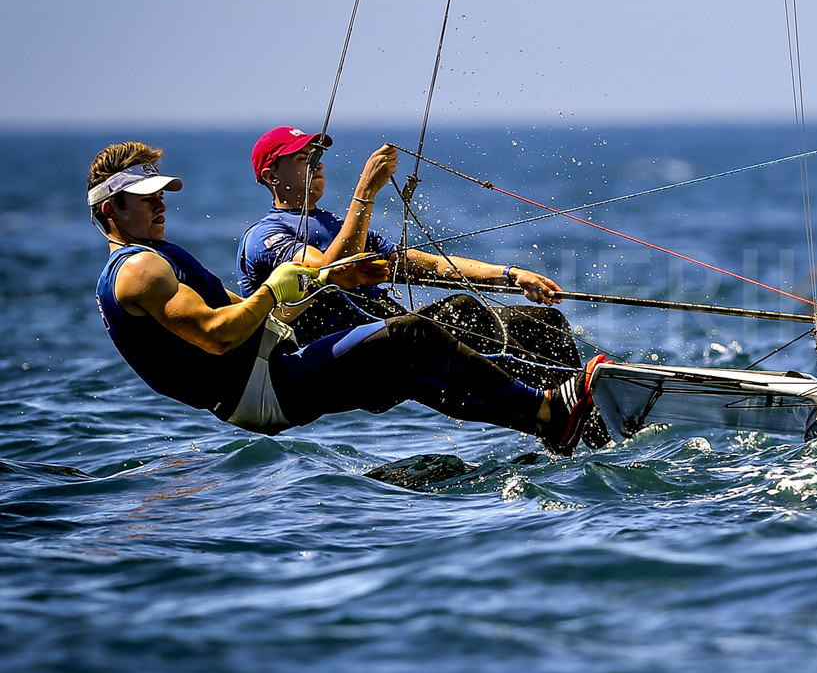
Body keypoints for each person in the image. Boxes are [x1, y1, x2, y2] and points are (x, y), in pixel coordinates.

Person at [89, 140, 609, 453]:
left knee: (416, 357)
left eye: (158, 195)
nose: (158, 205)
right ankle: (549, 414)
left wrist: (506, 274)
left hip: (274, 361)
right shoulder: (139, 269)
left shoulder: (160, 256)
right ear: (111, 210)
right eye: (143, 199)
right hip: (259, 388)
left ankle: (571, 426)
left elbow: (240, 315)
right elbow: (216, 337)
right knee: (411, 338)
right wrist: (275, 289)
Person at [237, 128, 594, 401]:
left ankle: (580, 409)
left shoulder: (333, 223)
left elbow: (429, 266)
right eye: (302, 159)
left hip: (396, 340)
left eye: (317, 157)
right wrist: (365, 192)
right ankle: (552, 401)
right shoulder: (266, 235)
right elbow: (326, 272)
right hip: (336, 364)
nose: (317, 165)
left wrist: (511, 275)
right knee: (462, 309)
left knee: (544, 322)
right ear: (272, 176)